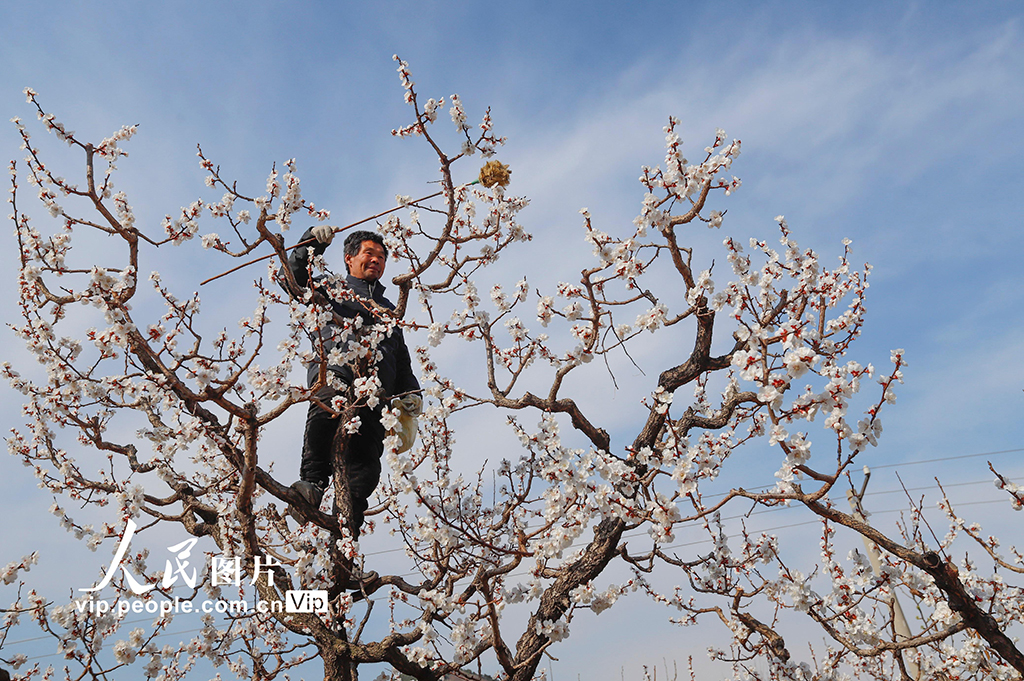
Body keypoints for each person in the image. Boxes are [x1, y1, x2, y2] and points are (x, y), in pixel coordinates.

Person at [282, 226, 421, 539]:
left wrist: (411, 394)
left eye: (382, 257)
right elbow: (292, 281)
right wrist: (311, 245)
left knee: (366, 466)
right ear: (349, 259)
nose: (376, 260)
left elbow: (400, 359)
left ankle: (345, 541)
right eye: (368, 254)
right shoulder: (333, 289)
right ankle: (311, 487)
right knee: (322, 426)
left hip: (374, 399)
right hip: (336, 378)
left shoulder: (388, 312)